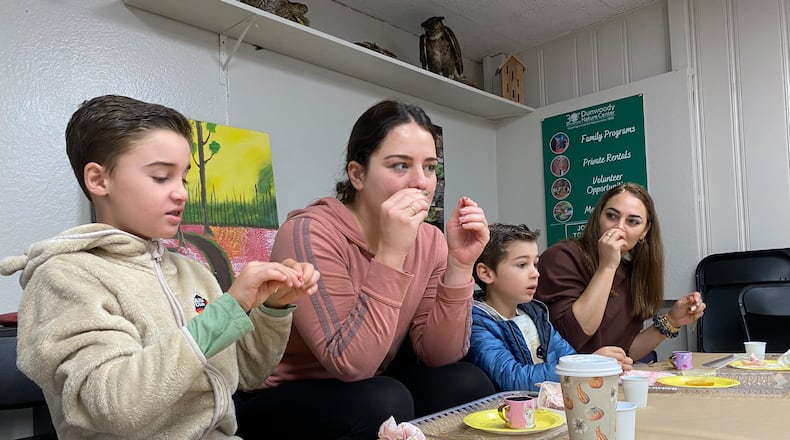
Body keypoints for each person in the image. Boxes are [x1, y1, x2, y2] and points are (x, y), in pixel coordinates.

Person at [0, 95, 320, 439]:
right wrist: (230, 309)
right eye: (161, 177)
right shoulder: (65, 277)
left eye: (183, 178)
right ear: (98, 179)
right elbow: (116, 406)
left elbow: (247, 374)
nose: (182, 193)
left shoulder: (193, 272)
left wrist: (274, 308)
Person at [233, 100, 496, 439]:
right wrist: (391, 253)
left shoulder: (430, 240)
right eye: (400, 166)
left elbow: (439, 354)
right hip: (280, 395)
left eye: (430, 168)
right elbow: (349, 363)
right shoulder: (310, 232)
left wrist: (460, 265)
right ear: (357, 174)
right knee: (384, 399)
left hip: (368, 375)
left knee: (466, 381)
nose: (421, 182)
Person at [534, 183, 706, 362]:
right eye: (611, 216)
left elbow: (625, 351)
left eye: (633, 221)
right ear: (598, 217)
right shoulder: (562, 256)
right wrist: (607, 267)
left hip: (606, 382)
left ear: (644, 231)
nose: (619, 227)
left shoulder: (633, 275)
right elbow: (573, 336)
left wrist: (672, 321)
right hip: (560, 383)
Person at [468, 223, 632, 392]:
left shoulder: (535, 313)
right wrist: (585, 366)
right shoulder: (477, 322)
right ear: (486, 273)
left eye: (535, 264)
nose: (535, 273)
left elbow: (568, 358)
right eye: (522, 265)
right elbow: (513, 379)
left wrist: (596, 363)